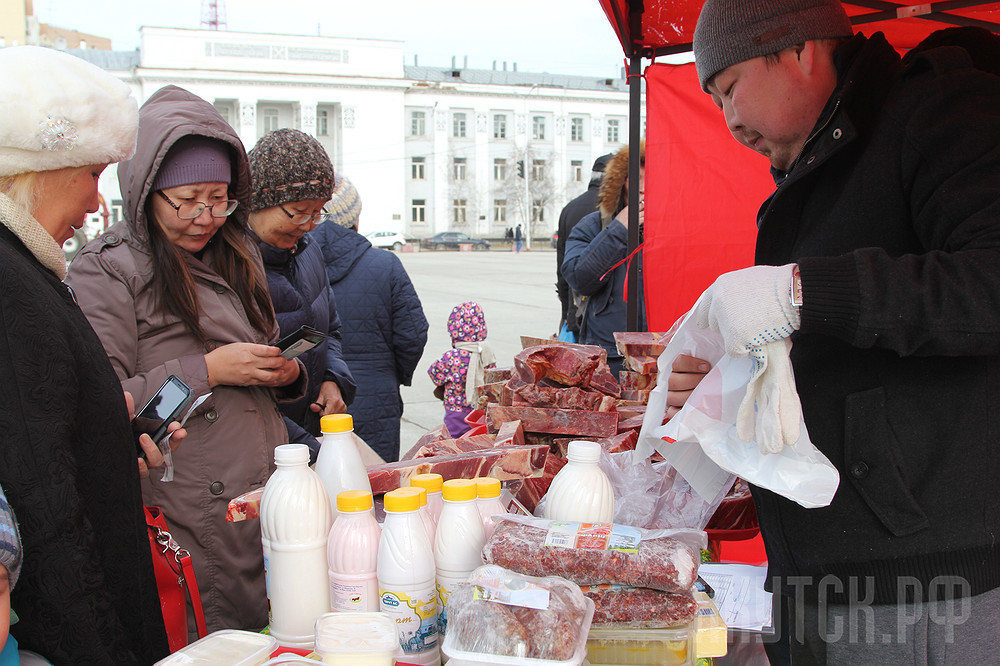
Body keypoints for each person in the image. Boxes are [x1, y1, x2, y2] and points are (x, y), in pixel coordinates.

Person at [668, 0, 1000, 661]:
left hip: (920, 586)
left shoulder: (937, 111)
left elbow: (986, 285)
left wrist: (799, 292)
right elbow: (833, 350)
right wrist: (731, 383)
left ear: (799, 50)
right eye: (714, 100)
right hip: (814, 564)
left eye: (730, 88)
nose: (729, 119)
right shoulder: (815, 168)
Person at [66, 85, 307, 635]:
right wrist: (210, 370)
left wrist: (286, 371)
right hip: (185, 499)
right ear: (145, 190)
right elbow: (102, 400)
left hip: (261, 481)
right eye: (188, 199)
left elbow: (263, 346)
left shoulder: (237, 252)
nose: (206, 216)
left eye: (220, 198)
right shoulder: (109, 268)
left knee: (277, 626)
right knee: (210, 635)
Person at [0, 46, 183, 663]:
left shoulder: (25, 265)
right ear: (40, 170)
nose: (96, 203)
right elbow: (43, 503)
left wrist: (110, 440)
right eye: (93, 174)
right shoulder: (8, 281)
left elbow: (40, 431)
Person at [246, 129, 357, 460]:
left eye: (318, 213)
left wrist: (332, 380)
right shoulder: (225, 267)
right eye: (299, 211)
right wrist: (310, 452)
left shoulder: (309, 252)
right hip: (261, 449)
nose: (309, 225)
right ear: (258, 201)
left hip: (310, 438)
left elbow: (329, 332)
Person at [310, 173, 429, 462]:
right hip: (376, 399)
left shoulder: (292, 264)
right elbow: (413, 334)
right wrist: (390, 373)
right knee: (377, 482)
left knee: (312, 483)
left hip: (313, 402)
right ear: (355, 218)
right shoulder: (385, 264)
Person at [561, 143, 646, 376]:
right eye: (636, 180)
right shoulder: (594, 225)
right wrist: (619, 230)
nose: (643, 189)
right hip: (609, 355)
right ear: (621, 184)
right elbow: (579, 279)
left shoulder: (677, 228)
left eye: (651, 179)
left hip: (661, 352)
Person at [556, 153, 613, 341]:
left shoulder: (570, 208)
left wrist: (566, 313)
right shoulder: (615, 209)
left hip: (575, 309)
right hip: (604, 314)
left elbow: (562, 270)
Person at [428, 302, 495, 438]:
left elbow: (434, 374)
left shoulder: (450, 357)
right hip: (479, 412)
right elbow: (493, 378)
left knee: (453, 442)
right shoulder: (486, 354)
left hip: (456, 411)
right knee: (477, 440)